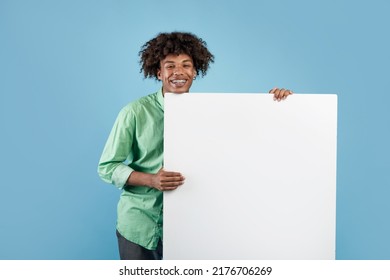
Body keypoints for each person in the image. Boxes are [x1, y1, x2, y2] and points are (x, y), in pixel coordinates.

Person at [97, 31, 292, 260]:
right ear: (159, 72)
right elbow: (107, 167)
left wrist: (278, 104)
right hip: (140, 225)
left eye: (186, 65)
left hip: (190, 227)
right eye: (170, 66)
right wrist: (151, 179)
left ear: (195, 71)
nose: (178, 72)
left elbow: (245, 141)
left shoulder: (209, 112)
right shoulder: (135, 112)